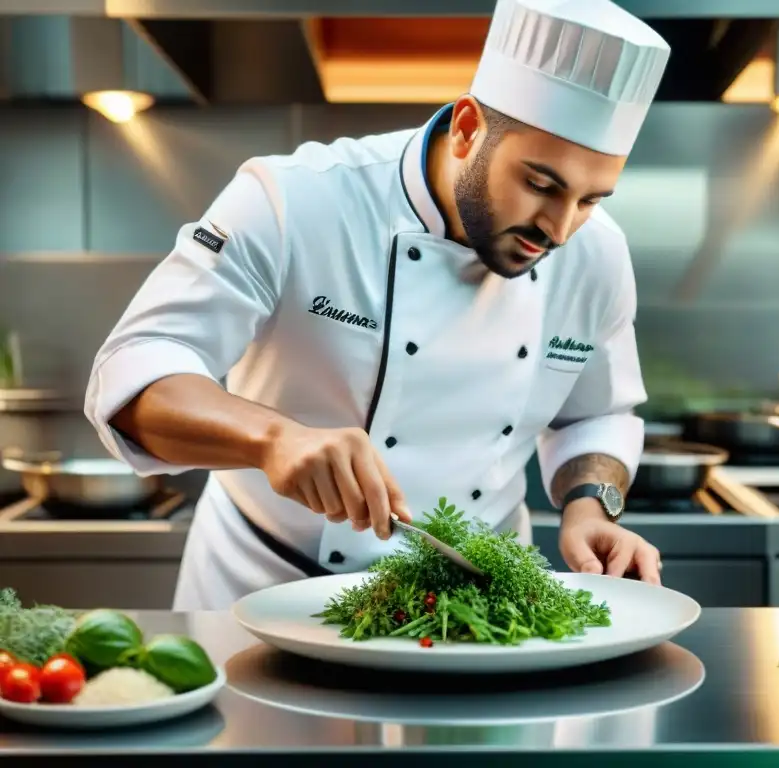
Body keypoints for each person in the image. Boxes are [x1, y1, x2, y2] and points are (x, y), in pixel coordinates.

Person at [84, 0, 672, 610]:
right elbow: (134, 371)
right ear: (468, 128)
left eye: (591, 199)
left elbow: (597, 415)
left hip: (473, 605)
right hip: (269, 589)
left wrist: (590, 505)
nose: (558, 227)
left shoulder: (596, 252)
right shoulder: (297, 199)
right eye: (541, 185)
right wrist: (272, 439)